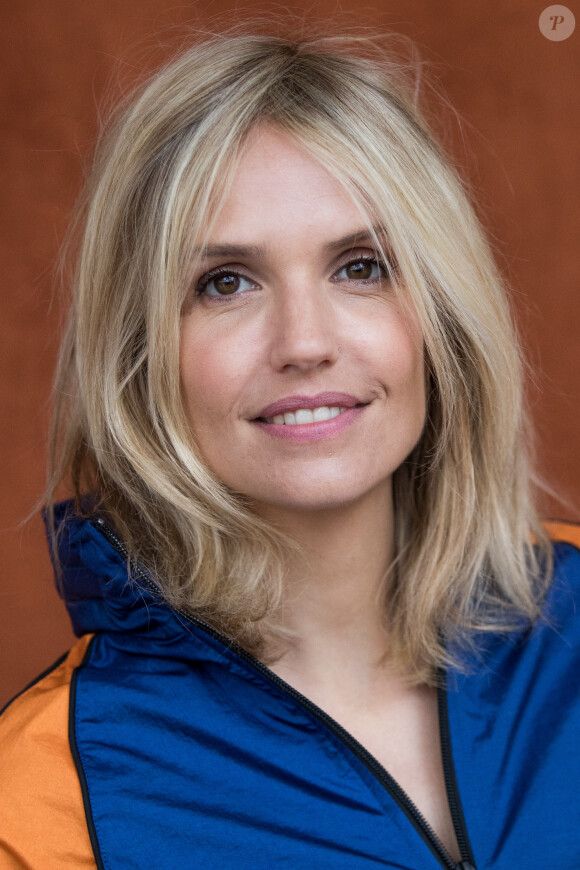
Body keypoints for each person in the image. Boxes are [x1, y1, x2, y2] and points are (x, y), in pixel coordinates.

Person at [0, 28, 579, 870]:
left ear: (441, 314)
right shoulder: (41, 799)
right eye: (224, 283)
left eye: (361, 266)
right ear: (140, 354)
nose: (304, 342)